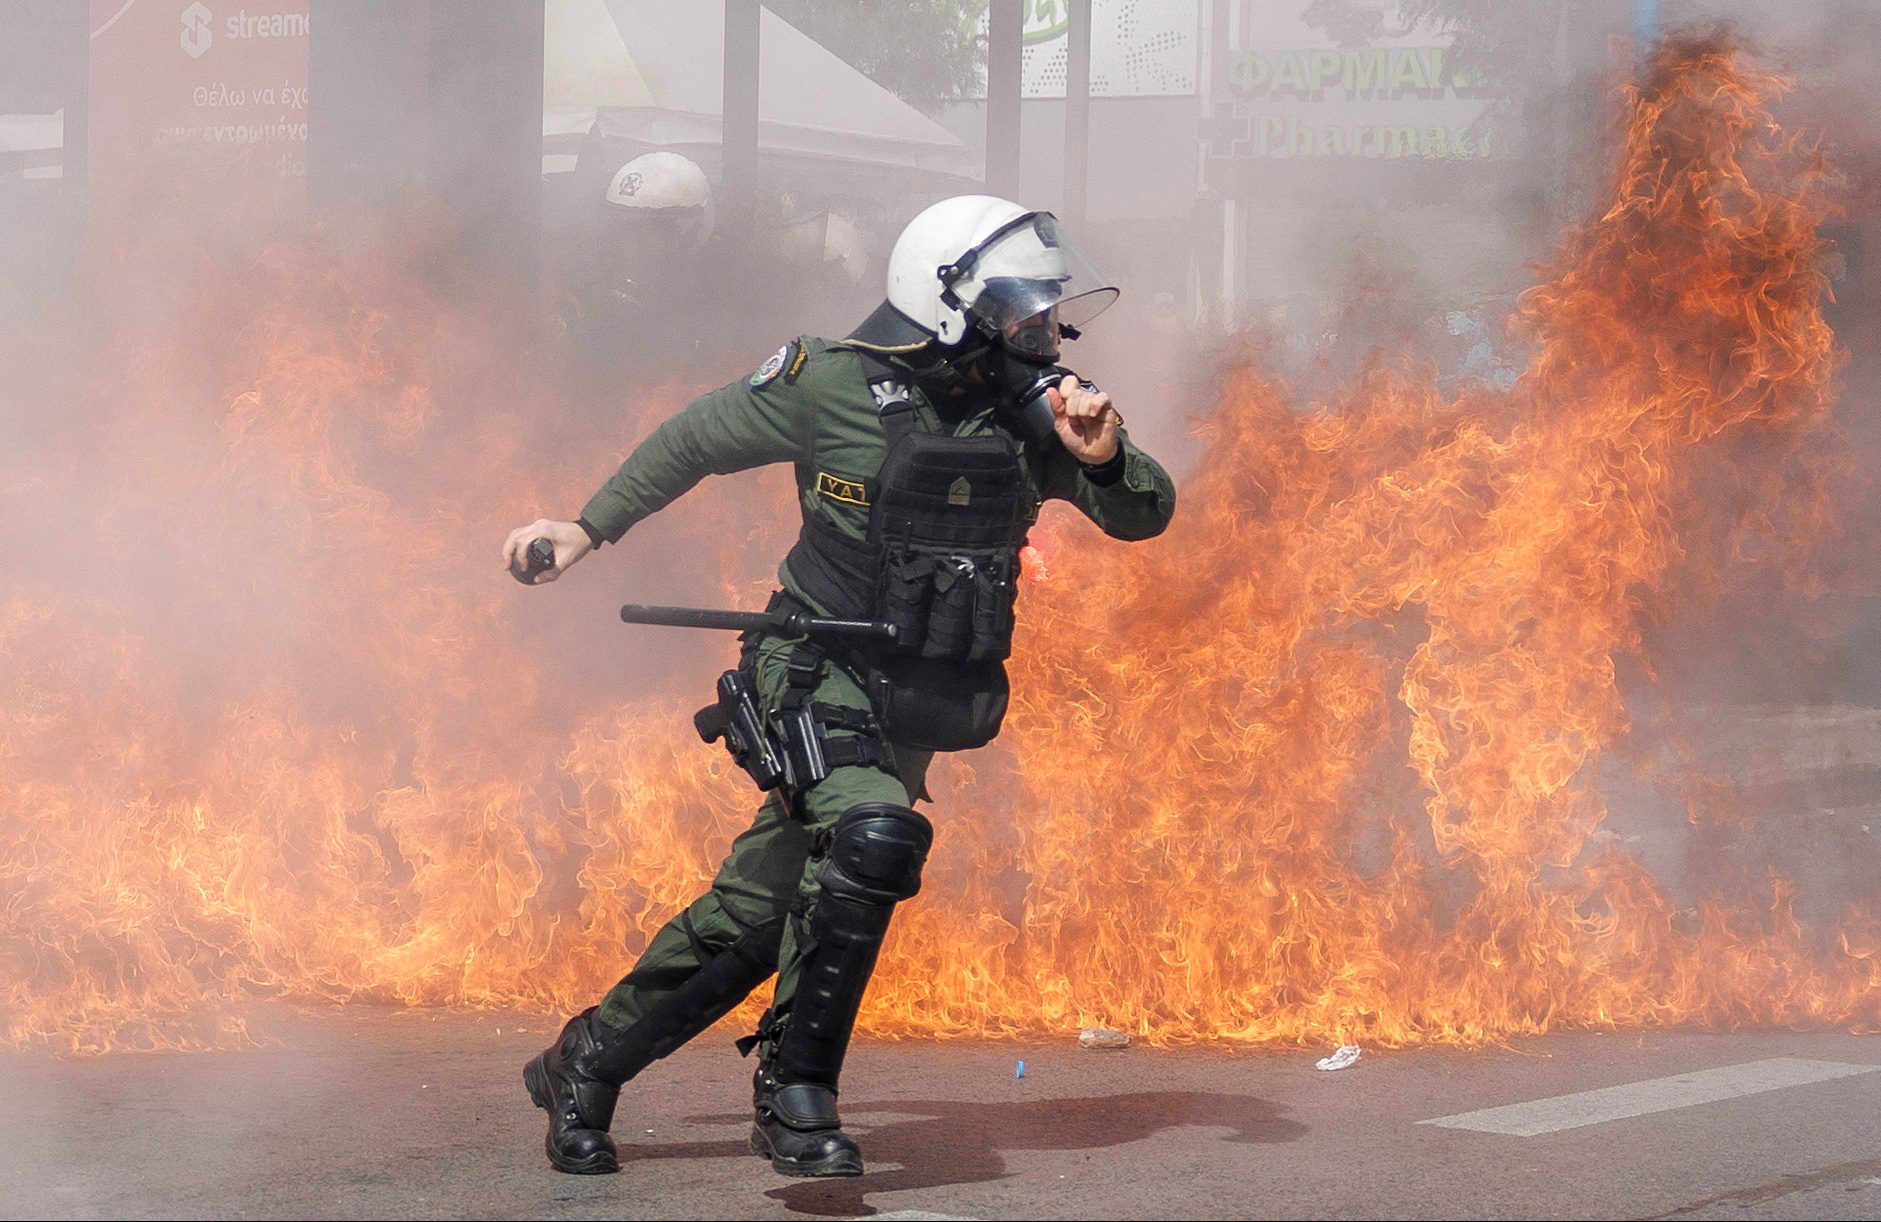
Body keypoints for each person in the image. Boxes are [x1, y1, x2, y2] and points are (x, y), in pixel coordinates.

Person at [502, 194, 1177, 1179]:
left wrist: (1104, 455)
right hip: (812, 666)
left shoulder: (1035, 417)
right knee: (872, 835)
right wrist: (585, 527)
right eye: (1021, 309)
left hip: (914, 696)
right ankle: (794, 1094)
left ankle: (585, 1060)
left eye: (1046, 311)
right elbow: (697, 437)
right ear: (947, 307)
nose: (1045, 329)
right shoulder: (832, 383)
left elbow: (1145, 514)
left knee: (765, 905)